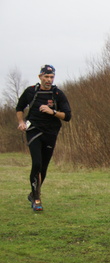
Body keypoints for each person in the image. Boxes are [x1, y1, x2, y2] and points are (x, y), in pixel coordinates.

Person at [16, 65, 72, 212]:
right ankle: (37, 199)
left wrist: (52, 111)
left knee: (44, 168)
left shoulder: (58, 94)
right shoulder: (30, 92)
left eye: (51, 77)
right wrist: (21, 122)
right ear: (40, 77)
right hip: (34, 130)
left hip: (51, 133)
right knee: (37, 163)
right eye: (46, 77)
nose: (49, 80)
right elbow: (19, 108)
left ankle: (33, 193)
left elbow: (67, 116)